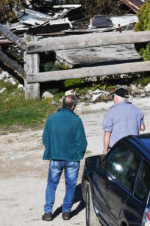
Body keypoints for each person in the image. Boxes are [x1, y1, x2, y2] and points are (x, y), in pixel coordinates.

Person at [41, 92, 87, 221]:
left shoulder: (51, 118)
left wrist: (51, 150)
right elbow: (82, 142)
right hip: (72, 159)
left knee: (51, 184)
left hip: (55, 158)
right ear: (73, 107)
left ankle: (48, 212)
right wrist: (78, 154)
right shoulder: (76, 120)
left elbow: (45, 139)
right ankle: (66, 212)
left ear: (63, 104)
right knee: (71, 185)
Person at [101, 86, 145, 152]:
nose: (113, 99)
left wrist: (105, 151)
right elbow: (142, 128)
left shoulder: (111, 112)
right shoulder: (136, 109)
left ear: (117, 98)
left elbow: (107, 134)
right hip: (133, 147)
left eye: (114, 97)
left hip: (117, 148)